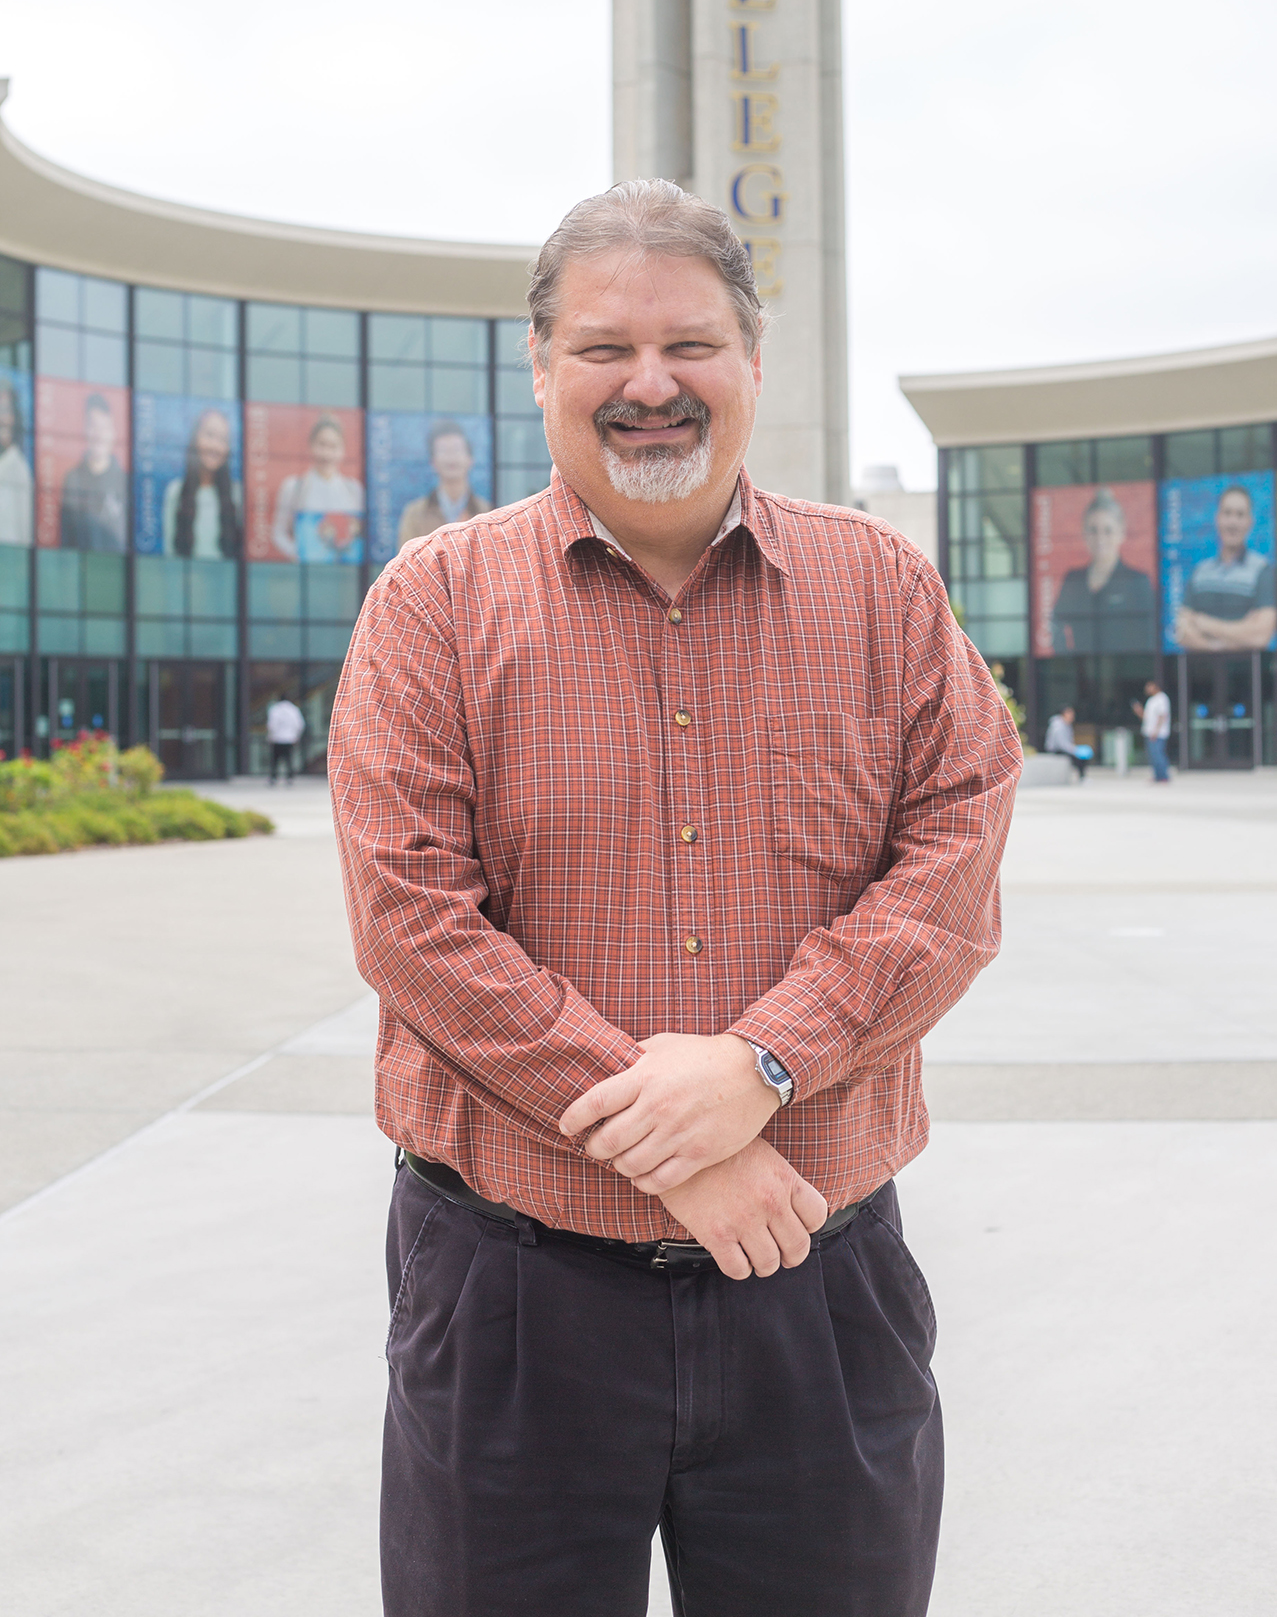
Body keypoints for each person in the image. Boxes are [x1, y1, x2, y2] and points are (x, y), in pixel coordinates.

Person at [329, 179, 1023, 1617]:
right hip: (516, 1298)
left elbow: (955, 857)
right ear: (540, 370)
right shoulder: (433, 605)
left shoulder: (883, 589)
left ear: (753, 360)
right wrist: (684, 1142)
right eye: (603, 349)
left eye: (690, 345)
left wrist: (767, 1063)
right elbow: (411, 918)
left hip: (818, 1293)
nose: (650, 385)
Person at [1049, 487, 1154, 652]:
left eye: (1108, 531)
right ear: (1084, 534)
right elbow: (1055, 625)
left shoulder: (1137, 581)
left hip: (1128, 672)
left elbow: (1150, 635)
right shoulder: (1073, 580)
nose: (1100, 538)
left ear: (1121, 533)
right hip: (1082, 674)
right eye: (1093, 530)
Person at [1174, 484, 1276, 651]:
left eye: (1240, 514)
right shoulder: (1200, 572)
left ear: (1250, 522)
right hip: (1201, 675)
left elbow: (1260, 636)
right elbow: (1182, 631)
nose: (1233, 522)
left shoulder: (1263, 571)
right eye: (1227, 513)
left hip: (1249, 673)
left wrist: (1204, 623)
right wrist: (1240, 632)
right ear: (1218, 518)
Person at [270, 414, 365, 562]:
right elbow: (278, 533)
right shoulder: (293, 487)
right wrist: (299, 553)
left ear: (343, 450)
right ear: (311, 445)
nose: (327, 454)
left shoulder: (354, 490)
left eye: (333, 446)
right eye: (322, 444)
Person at [395, 418, 491, 550]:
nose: (451, 457)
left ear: (470, 459)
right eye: (444, 450)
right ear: (433, 462)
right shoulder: (414, 514)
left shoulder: (487, 513)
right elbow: (406, 564)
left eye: (456, 449)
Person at [161, 408, 242, 560]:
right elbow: (170, 554)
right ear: (195, 438)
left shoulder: (237, 494)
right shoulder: (175, 492)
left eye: (223, 439)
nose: (214, 446)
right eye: (209, 435)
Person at [59, 392, 127, 552]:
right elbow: (66, 538)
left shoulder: (124, 482)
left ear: (113, 432)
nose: (98, 434)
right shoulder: (72, 479)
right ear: (85, 430)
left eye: (104, 427)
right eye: (93, 426)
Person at [0, 377, 33, 545]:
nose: (2, 418)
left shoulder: (19, 469)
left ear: (15, 417)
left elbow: (26, 535)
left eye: (7, 410)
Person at [1132, 679, 1171, 783]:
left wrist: (1156, 731)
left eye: (1149, 686)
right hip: (1149, 732)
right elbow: (1147, 717)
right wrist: (1139, 711)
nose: (1147, 689)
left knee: (1159, 755)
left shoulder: (1162, 698)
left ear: (1155, 686)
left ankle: (1164, 777)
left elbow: (1162, 716)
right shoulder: (1151, 700)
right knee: (1153, 756)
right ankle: (1157, 776)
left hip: (1158, 733)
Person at [266, 693, 305, 784]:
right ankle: (289, 777)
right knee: (289, 760)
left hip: (277, 738)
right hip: (289, 738)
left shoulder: (275, 709)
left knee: (275, 760)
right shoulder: (293, 709)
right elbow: (299, 724)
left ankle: (273, 777)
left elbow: (272, 725)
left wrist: (270, 736)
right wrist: (296, 736)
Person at [1045, 705, 1090, 779]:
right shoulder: (1058, 726)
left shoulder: (1067, 725)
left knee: (1083, 756)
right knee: (1078, 758)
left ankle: (1082, 776)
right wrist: (1074, 750)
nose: (1072, 716)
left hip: (1064, 748)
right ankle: (1082, 777)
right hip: (1056, 750)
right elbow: (1062, 744)